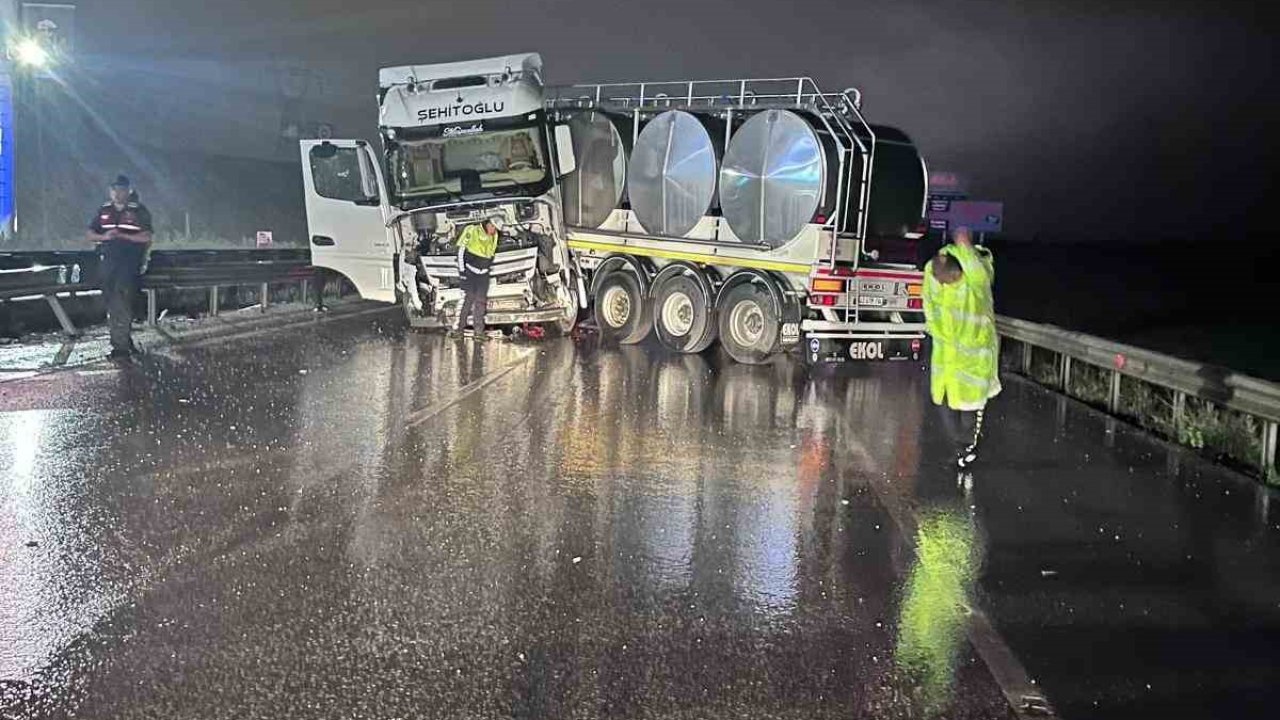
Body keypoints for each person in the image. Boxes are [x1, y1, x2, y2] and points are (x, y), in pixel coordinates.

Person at [922, 226, 1000, 468]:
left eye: (951, 279)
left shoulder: (976, 282)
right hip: (947, 361)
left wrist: (965, 248)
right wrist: (936, 332)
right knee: (944, 406)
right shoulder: (936, 277)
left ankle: (968, 449)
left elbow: (978, 272)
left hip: (974, 363)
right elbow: (929, 301)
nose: (946, 283)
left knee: (970, 410)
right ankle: (958, 448)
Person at [86, 175, 153, 361]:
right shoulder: (104, 210)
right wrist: (106, 236)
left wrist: (123, 236)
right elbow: (90, 233)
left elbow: (146, 236)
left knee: (121, 303)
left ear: (128, 190)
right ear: (110, 191)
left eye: (121, 189)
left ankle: (120, 347)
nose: (117, 193)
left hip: (129, 264)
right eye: (114, 189)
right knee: (113, 304)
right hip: (108, 264)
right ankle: (123, 341)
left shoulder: (138, 211)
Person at [453, 214, 504, 339]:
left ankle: (479, 332)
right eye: (493, 228)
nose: (494, 231)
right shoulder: (472, 230)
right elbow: (461, 251)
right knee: (468, 301)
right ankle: (459, 330)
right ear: (489, 224)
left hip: (483, 275)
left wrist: (486, 268)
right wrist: (462, 272)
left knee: (481, 303)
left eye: (496, 229)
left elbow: (490, 254)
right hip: (470, 273)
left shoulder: (494, 236)